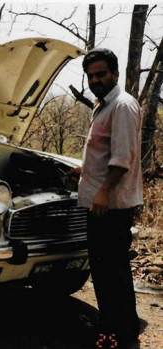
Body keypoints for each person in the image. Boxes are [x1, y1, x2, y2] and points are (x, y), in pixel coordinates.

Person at [75, 48, 143, 348]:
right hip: (99, 201)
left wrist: (102, 190)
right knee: (104, 271)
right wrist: (82, 171)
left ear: (115, 73)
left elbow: (121, 159)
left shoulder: (122, 106)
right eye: (90, 76)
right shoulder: (103, 105)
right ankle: (113, 327)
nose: (95, 80)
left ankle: (120, 335)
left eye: (101, 74)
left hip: (111, 206)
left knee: (112, 272)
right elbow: (104, 154)